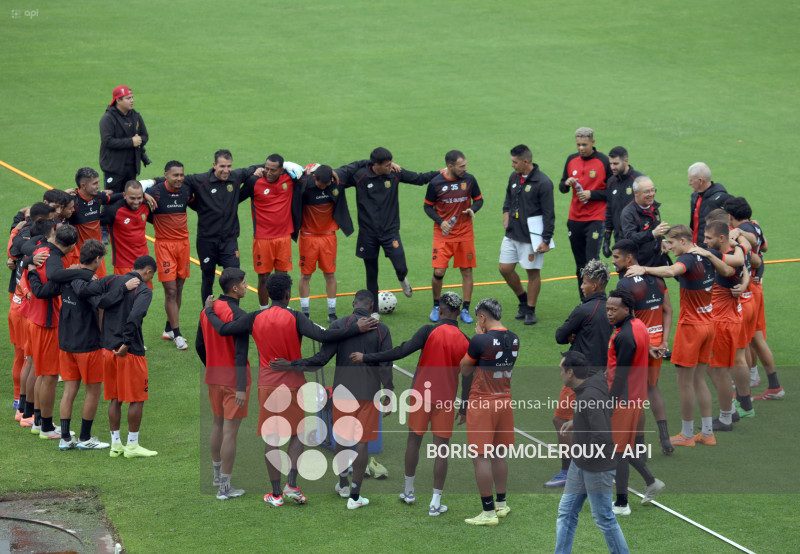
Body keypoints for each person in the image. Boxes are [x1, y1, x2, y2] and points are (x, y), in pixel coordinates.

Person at [202, 273, 377, 507]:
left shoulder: (254, 317)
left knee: (272, 439)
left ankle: (275, 494)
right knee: (296, 434)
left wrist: (209, 310)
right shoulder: (295, 317)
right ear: (287, 294)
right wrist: (356, 328)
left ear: (268, 294)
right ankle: (292, 486)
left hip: (267, 385)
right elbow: (324, 335)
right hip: (293, 384)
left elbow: (223, 330)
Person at [272, 289, 394, 510]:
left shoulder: (339, 326)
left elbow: (320, 360)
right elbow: (386, 365)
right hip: (369, 393)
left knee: (343, 440)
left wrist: (291, 364)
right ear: (371, 306)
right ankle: (355, 498)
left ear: (353, 303)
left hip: (342, 393)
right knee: (362, 443)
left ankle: (343, 484)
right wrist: (390, 393)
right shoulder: (381, 330)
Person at [349, 291, 470, 515]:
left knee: (413, 442)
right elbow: (468, 376)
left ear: (441, 310)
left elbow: (400, 351)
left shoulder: (428, 330)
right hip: (445, 401)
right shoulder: (465, 341)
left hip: (419, 397)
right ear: (458, 312)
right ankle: (435, 502)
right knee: (441, 450)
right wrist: (464, 408)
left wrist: (366, 357)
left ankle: (409, 491)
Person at [626, 225, 717, 447]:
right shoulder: (707, 254)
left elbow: (670, 272)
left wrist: (643, 269)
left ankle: (687, 435)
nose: (669, 246)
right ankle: (707, 432)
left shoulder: (686, 259)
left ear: (684, 241)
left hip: (692, 328)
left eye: (672, 242)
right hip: (709, 323)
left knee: (684, 383)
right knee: (700, 379)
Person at [335, 147, 439, 311]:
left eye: (391, 163)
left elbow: (419, 178)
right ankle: (374, 311)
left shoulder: (395, 173)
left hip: (390, 233)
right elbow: (339, 176)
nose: (391, 167)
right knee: (371, 274)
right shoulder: (360, 175)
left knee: (401, 267)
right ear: (375, 165)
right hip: (367, 235)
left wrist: (442, 171)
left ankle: (402, 279)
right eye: (387, 165)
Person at [57, 239, 135, 451]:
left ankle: (65, 438)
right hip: (88, 345)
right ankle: (84, 438)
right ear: (98, 259)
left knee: (69, 390)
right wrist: (125, 288)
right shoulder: (90, 283)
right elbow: (104, 302)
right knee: (93, 391)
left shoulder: (68, 276)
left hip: (65, 342)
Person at [555, 351, 629, 554]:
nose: (559, 374)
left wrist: (585, 456)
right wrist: (576, 421)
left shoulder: (589, 396)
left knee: (604, 518)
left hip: (596, 468)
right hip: (579, 465)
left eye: (561, 370)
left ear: (570, 372)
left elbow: (602, 436)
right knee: (566, 513)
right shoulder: (591, 384)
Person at [548, 259, 612, 488]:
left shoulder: (584, 309)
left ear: (594, 285)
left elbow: (559, 335)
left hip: (580, 377)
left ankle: (568, 471)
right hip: (605, 376)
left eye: (584, 282)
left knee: (561, 420)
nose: (582, 286)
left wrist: (574, 336)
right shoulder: (615, 307)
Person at [459, 298, 520, 526]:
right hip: (504, 400)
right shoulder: (514, 338)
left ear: (483, 317)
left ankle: (487, 512)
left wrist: (476, 339)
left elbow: (464, 370)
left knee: (480, 456)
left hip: (483, 402)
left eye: (478, 319)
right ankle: (501, 504)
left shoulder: (480, 339)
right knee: (499, 453)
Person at [611, 239, 674, 453]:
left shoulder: (625, 284)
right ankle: (665, 439)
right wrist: (664, 341)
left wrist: (644, 346)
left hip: (638, 346)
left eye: (616, 257)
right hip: (657, 343)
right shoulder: (656, 278)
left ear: (629, 258)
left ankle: (637, 447)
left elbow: (628, 319)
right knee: (653, 388)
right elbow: (668, 310)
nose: (613, 261)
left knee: (635, 397)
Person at [606, 289, 665, 516]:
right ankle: (651, 482)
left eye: (614, 309)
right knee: (624, 446)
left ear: (627, 309)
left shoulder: (624, 336)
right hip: (635, 396)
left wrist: (610, 402)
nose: (609, 313)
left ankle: (621, 504)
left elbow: (622, 374)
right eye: (608, 309)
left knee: (618, 451)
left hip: (623, 398)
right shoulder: (638, 326)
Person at [690, 221, 752, 431]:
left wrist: (707, 254)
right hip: (729, 317)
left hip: (723, 321)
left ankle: (727, 416)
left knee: (719, 371)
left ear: (721, 238)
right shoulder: (737, 250)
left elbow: (734, 265)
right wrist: (743, 285)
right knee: (712, 366)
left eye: (708, 237)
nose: (705, 241)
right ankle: (734, 407)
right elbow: (745, 264)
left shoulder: (722, 257)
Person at [196, 268, 251, 500]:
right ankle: (225, 488)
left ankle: (217, 476)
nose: (247, 286)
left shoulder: (208, 310)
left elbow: (200, 345)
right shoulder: (239, 315)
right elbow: (240, 354)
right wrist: (240, 387)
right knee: (231, 433)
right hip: (234, 381)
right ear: (234, 288)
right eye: (245, 283)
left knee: (217, 426)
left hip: (214, 377)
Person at [723, 197, 784, 400]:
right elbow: (763, 247)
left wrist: (739, 234)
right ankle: (774, 386)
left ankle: (745, 392)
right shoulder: (755, 226)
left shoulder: (742, 232)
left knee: (745, 342)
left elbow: (755, 248)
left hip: (746, 290)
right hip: (755, 287)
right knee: (756, 340)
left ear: (730, 216)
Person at [25, 224, 80, 439]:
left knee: (41, 373)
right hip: (47, 324)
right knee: (49, 376)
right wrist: (70, 274)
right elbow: (45, 290)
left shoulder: (40, 250)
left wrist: (28, 265)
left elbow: (24, 255)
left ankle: (39, 422)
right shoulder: (54, 259)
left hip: (35, 319)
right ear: (71, 245)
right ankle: (47, 428)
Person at [180, 149, 258, 302]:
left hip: (229, 240)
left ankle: (232, 315)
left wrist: (283, 165)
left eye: (229, 166)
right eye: (222, 166)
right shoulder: (200, 180)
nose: (226, 170)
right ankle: (207, 315)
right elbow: (177, 179)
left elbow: (254, 168)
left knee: (235, 278)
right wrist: (150, 183)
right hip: (206, 241)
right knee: (207, 278)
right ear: (214, 165)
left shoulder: (235, 176)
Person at [102, 255, 158, 458]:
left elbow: (101, 304)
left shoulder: (114, 281)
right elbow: (134, 316)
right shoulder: (143, 290)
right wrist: (126, 343)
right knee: (137, 398)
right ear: (148, 272)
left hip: (109, 351)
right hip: (130, 351)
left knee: (115, 398)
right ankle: (132, 445)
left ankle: (115, 445)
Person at [425, 150, 483, 324]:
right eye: (461, 166)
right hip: (443, 234)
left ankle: (465, 309)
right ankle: (436, 306)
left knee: (466, 270)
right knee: (439, 271)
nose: (465, 168)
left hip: (464, 233)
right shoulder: (436, 183)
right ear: (450, 166)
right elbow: (427, 207)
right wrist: (440, 221)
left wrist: (474, 209)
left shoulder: (469, 180)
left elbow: (479, 200)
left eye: (465, 165)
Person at [499, 144, 554, 325]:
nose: (512, 165)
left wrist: (546, 240)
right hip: (512, 233)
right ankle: (523, 300)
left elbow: (549, 213)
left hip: (531, 237)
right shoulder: (514, 177)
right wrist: (506, 214)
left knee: (532, 273)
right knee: (505, 269)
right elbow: (508, 198)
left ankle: (530, 309)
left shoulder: (543, 183)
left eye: (515, 162)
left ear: (526, 161)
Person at [290, 164, 352, 322]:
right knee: (305, 275)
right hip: (308, 237)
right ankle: (305, 313)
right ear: (314, 177)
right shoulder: (304, 184)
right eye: (320, 184)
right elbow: (287, 168)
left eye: (326, 185)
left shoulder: (336, 182)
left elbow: (354, 167)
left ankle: (332, 313)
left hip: (328, 237)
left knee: (330, 274)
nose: (323, 188)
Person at [240, 154, 300, 308]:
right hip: (262, 239)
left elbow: (307, 172)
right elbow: (236, 198)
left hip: (283, 238)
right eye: (266, 168)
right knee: (263, 277)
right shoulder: (254, 181)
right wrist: (255, 169)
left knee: (283, 277)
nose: (269, 172)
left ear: (281, 170)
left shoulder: (289, 179)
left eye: (273, 170)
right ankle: (264, 310)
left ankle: (283, 308)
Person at [558, 127, 612, 299]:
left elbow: (612, 192)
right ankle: (585, 300)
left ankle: (596, 300)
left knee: (592, 263)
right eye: (578, 144)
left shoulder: (604, 161)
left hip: (595, 218)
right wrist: (566, 183)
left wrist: (592, 194)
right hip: (575, 219)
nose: (581, 148)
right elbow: (561, 188)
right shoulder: (571, 160)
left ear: (593, 142)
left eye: (584, 144)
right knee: (580, 265)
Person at [147, 161, 192, 350]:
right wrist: (143, 194)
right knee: (171, 290)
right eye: (175, 175)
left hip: (183, 245)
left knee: (179, 286)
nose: (179, 178)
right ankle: (177, 334)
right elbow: (130, 193)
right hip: (164, 246)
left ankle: (169, 329)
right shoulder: (155, 192)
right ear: (165, 175)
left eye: (181, 175)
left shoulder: (186, 191)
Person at [68, 167, 121, 276]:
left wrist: (141, 194)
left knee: (100, 288)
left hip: (97, 256)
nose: (99, 186)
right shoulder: (73, 202)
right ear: (83, 185)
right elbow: (52, 212)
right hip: (80, 257)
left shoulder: (98, 197)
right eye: (95, 183)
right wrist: (63, 195)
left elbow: (115, 197)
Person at [99, 85, 149, 193]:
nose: (132, 100)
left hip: (131, 168)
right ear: (118, 100)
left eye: (132, 97)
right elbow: (107, 141)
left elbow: (145, 136)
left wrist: (139, 140)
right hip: (114, 169)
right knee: (112, 200)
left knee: (130, 199)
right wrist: (131, 142)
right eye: (128, 98)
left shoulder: (135, 116)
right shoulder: (108, 118)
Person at [102, 180, 151, 283]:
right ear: (124, 195)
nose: (136, 202)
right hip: (123, 265)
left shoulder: (145, 207)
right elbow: (92, 220)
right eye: (132, 198)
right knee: (126, 298)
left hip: (144, 264)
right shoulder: (113, 210)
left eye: (139, 198)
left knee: (145, 297)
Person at [620, 176, 670, 267]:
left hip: (655, 262)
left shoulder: (653, 207)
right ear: (636, 193)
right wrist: (652, 234)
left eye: (653, 190)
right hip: (639, 265)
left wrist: (662, 240)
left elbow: (656, 227)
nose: (651, 194)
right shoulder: (628, 213)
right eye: (647, 191)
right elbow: (630, 237)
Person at [602, 146, 643, 256]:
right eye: (610, 163)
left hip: (637, 238)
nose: (612, 167)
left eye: (616, 164)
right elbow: (610, 210)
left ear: (626, 161)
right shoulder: (611, 182)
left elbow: (651, 209)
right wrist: (607, 238)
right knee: (622, 271)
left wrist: (659, 239)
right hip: (619, 238)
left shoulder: (639, 180)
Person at [688, 162, 732, 247]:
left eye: (691, 180)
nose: (689, 183)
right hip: (696, 248)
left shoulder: (722, 198)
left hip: (712, 251)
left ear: (700, 181)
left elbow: (736, 220)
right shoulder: (695, 197)